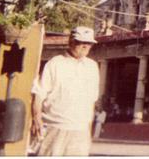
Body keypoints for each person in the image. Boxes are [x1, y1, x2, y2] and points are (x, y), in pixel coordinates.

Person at [31, 26, 100, 156]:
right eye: (81, 42)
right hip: (55, 127)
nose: (85, 46)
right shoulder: (55, 63)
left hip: (80, 130)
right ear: (71, 42)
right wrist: (36, 117)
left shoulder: (92, 67)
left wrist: (89, 128)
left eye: (89, 43)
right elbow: (39, 93)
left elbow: (91, 100)